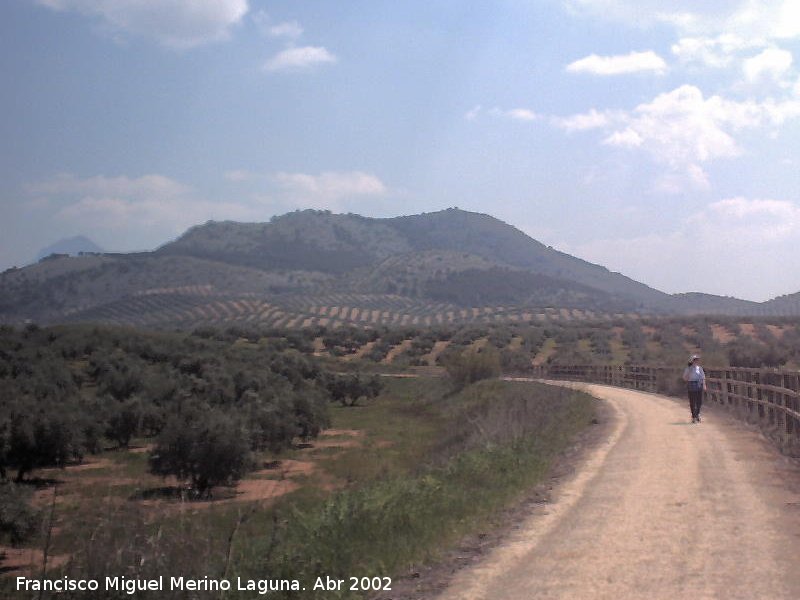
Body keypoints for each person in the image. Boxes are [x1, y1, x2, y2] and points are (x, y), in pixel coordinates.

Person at [682, 354, 706, 423]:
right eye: (695, 360)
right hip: (691, 384)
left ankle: (698, 414)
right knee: (692, 401)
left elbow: (703, 377)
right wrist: (688, 378)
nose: (696, 361)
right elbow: (684, 377)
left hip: (698, 384)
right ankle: (693, 416)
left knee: (699, 401)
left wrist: (704, 385)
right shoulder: (688, 368)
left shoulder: (700, 368)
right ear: (692, 361)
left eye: (697, 360)